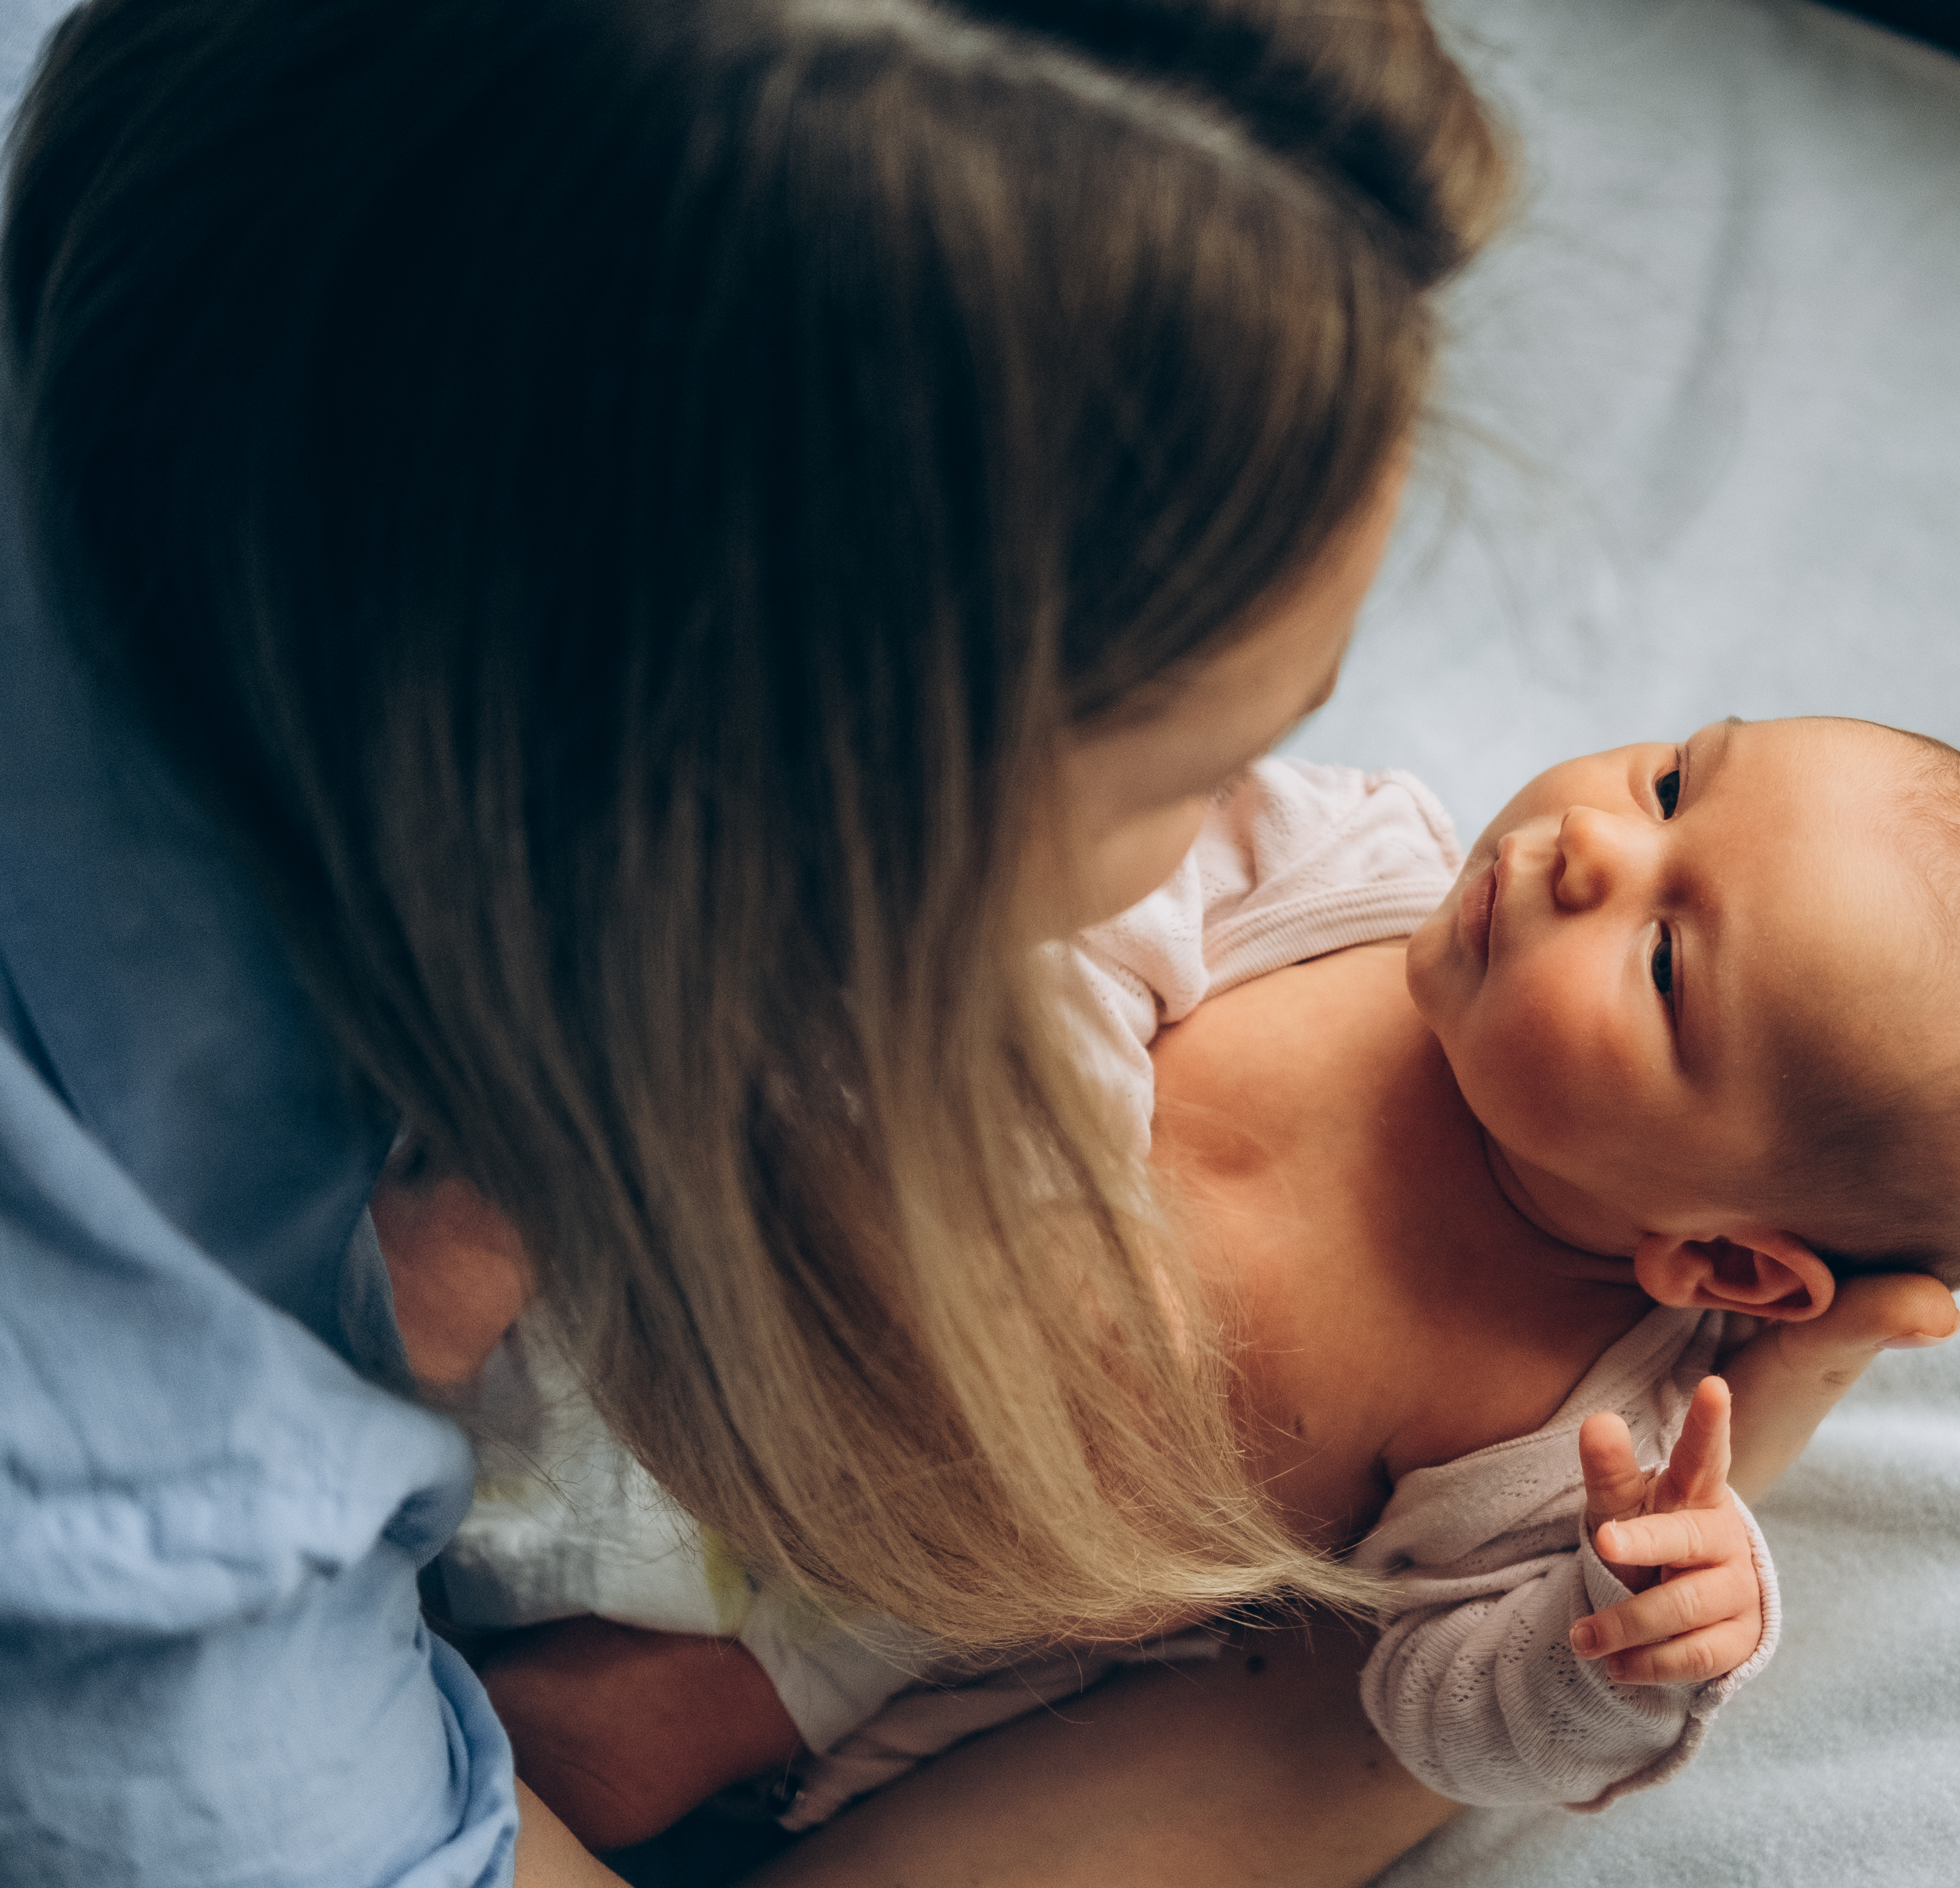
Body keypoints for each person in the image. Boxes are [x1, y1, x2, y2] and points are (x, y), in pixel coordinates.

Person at [0, 0, 1508, 1882]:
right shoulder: (145, 1555)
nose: (1260, 826)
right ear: (740, 855)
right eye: (1206, 767)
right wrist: (1414, 1670)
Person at [450, 716, 1960, 1861]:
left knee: (602, 1764)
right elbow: (1079, 899)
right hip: (766, 1261)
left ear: (1723, 1260)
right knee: (465, 1237)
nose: (1587, 845)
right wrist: (1048, 1181)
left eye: (1659, 956)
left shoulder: (1585, 1427)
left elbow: (1432, 1706)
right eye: (1671, 786)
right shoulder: (1351, 870)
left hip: (836, 1602)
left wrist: (1617, 1655)